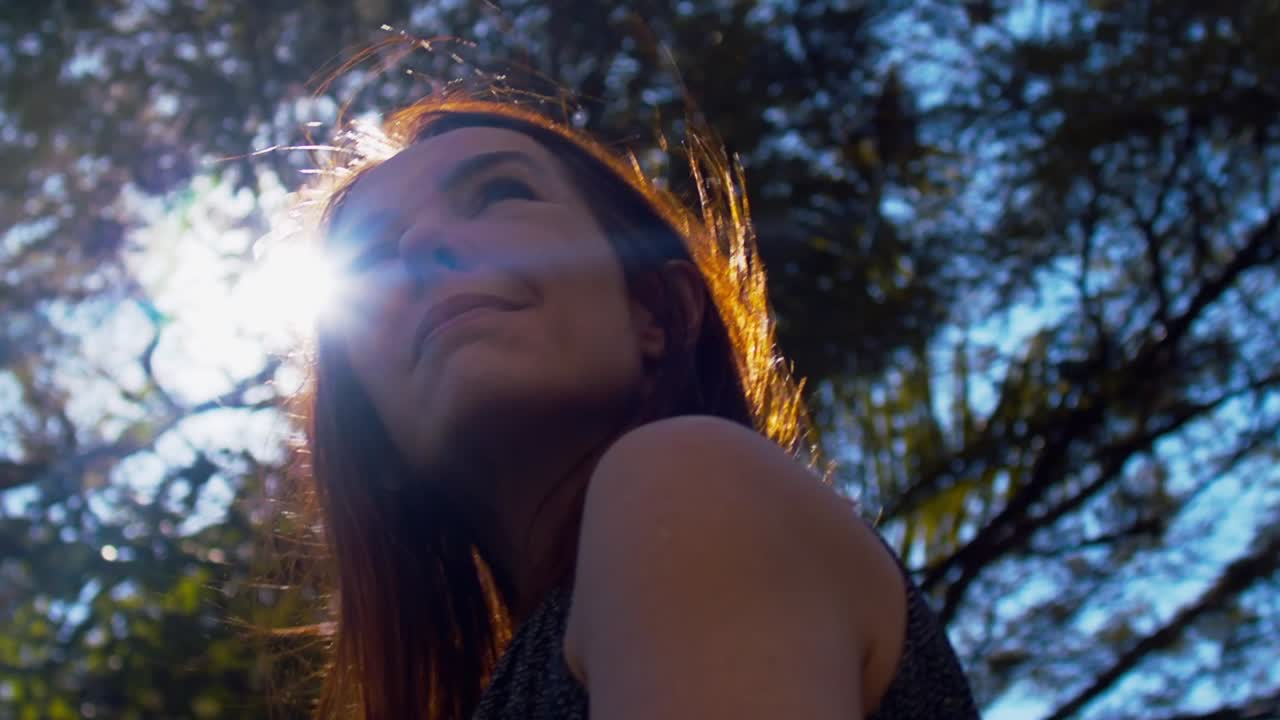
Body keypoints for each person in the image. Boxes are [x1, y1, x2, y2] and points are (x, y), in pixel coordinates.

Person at [286, 87, 980, 720]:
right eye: (373, 256)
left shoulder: (684, 478)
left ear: (656, 311)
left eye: (501, 192)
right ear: (371, 431)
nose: (421, 245)